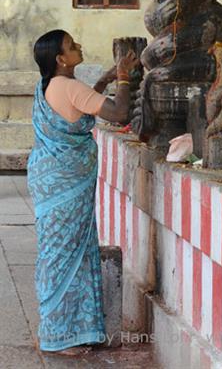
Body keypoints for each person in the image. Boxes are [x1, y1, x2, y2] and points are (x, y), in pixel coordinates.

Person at [27, 29, 138, 356]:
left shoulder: (48, 85)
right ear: (61, 59)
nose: (79, 47)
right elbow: (118, 114)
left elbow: (80, 104)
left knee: (56, 253)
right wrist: (123, 77)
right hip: (66, 186)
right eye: (72, 46)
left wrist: (104, 81)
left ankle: (53, 329)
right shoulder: (70, 86)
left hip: (49, 181)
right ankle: (60, 339)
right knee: (68, 256)